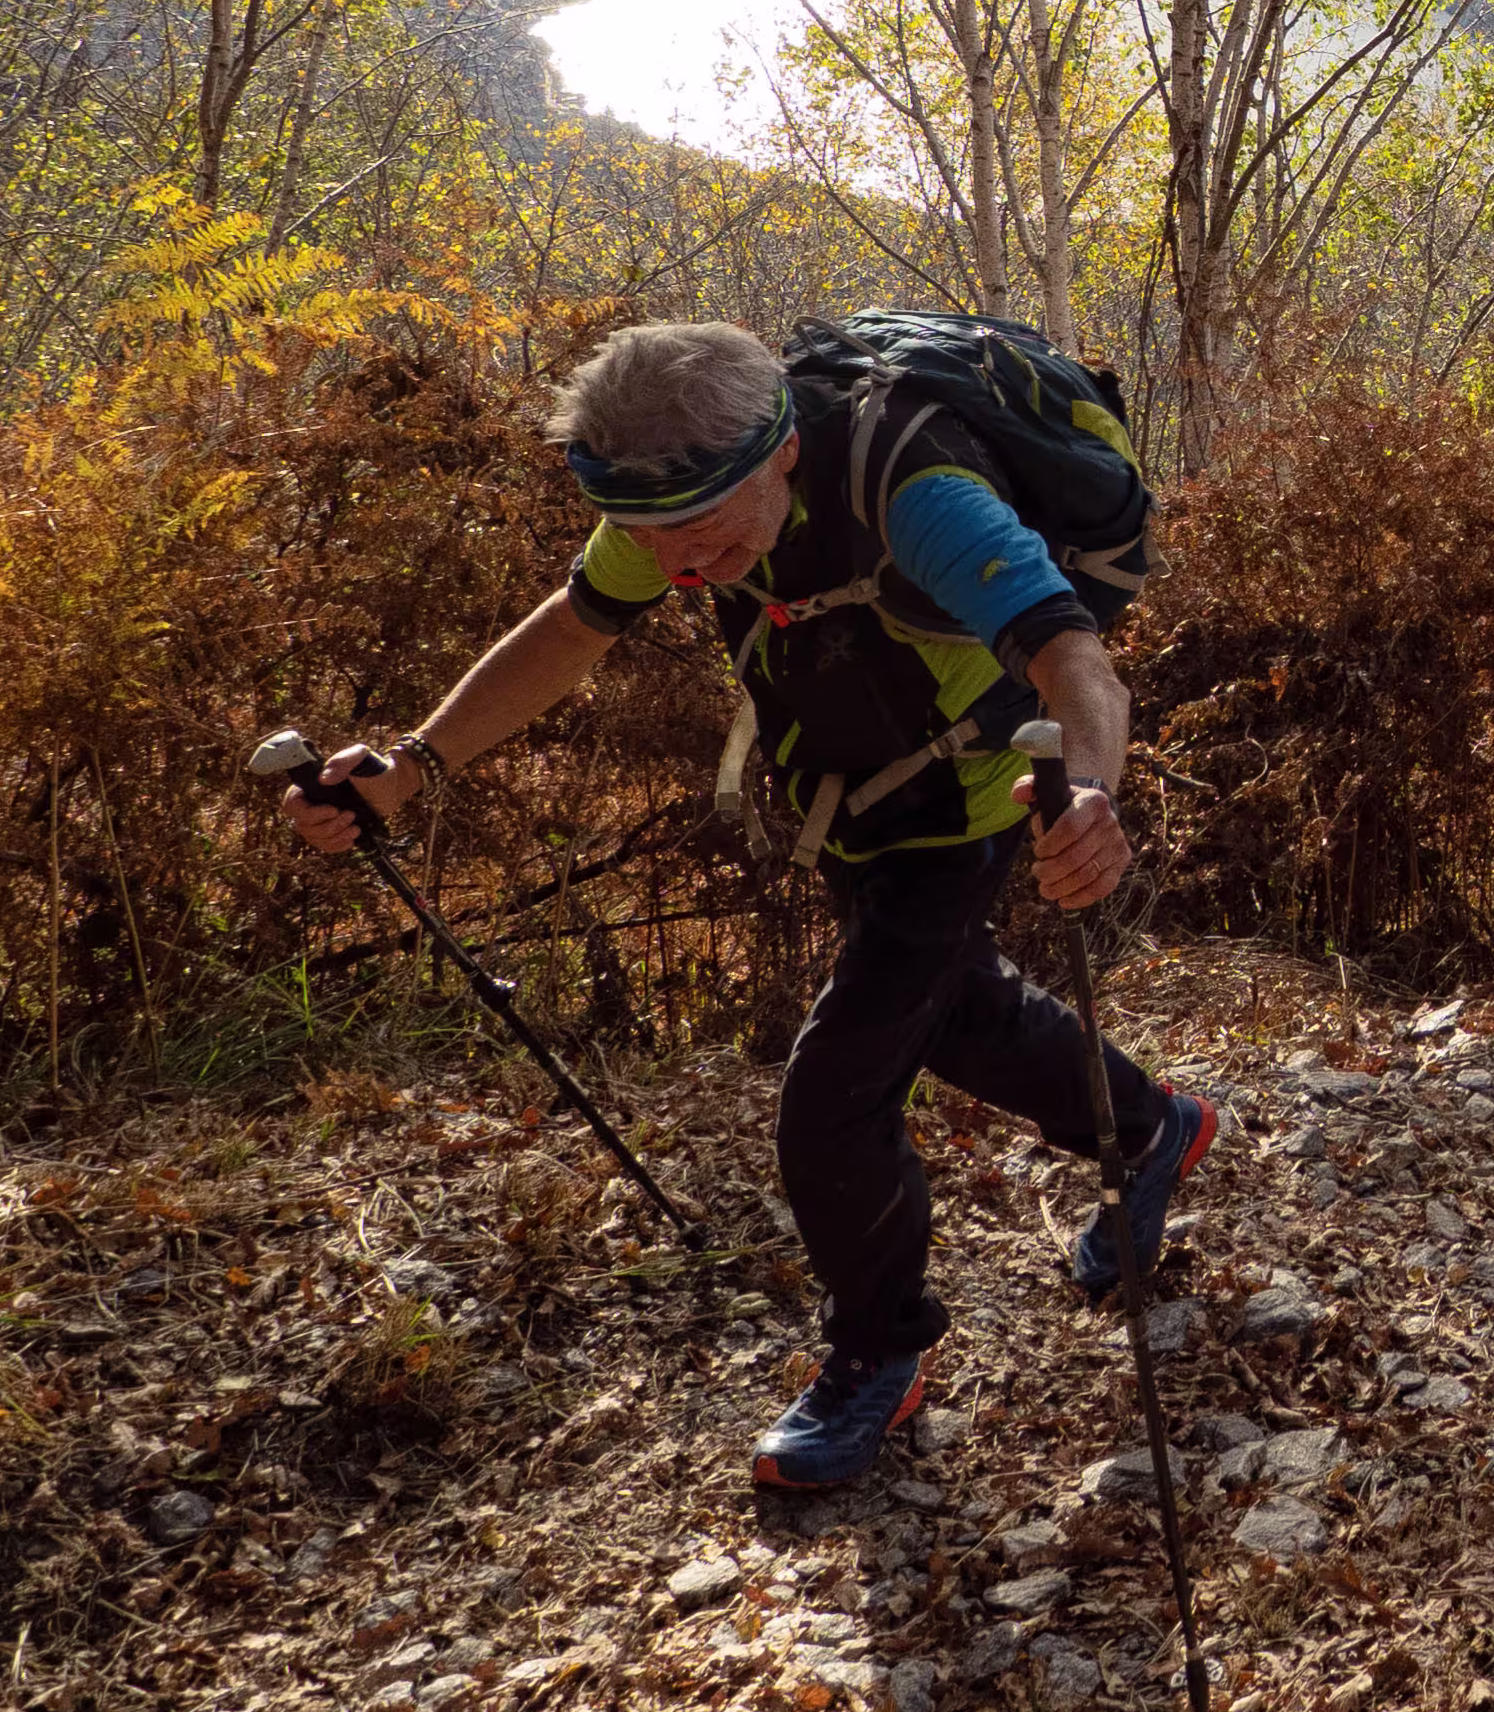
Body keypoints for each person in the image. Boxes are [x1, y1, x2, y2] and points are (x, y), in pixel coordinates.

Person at [276, 317, 1215, 1490]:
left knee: (832, 1100)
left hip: (968, 803)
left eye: (704, 539)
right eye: (651, 539)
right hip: (842, 788)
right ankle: (1150, 1126)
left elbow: (1072, 655)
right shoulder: (672, 509)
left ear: (776, 452)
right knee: (957, 1011)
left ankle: (879, 1351)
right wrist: (413, 763)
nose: (676, 567)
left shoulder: (917, 492)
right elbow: (572, 628)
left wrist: (1086, 790)